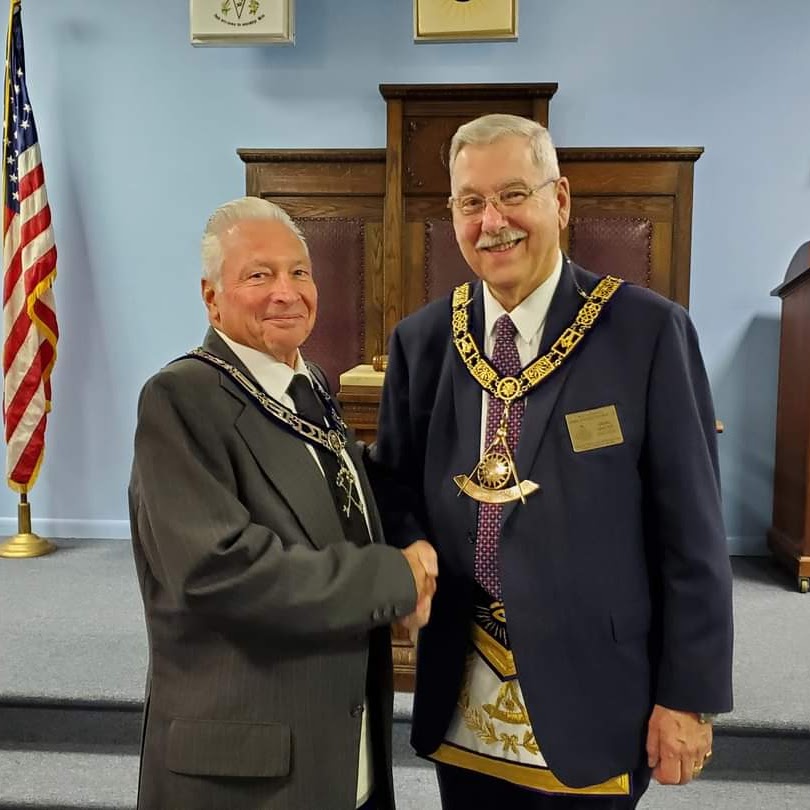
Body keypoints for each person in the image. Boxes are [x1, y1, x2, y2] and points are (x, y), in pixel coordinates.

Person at [370, 114, 733, 808]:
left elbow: (694, 531)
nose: (492, 221)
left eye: (513, 195)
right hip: (463, 685)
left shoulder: (646, 332)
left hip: (596, 686)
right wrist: (410, 541)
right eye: (471, 202)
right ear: (451, 214)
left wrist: (688, 697)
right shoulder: (423, 342)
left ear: (559, 200)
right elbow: (393, 484)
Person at [128, 196, 437, 810]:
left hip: (334, 739)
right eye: (258, 275)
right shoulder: (180, 398)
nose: (287, 291)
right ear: (211, 295)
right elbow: (220, 571)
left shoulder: (310, 383)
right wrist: (393, 578)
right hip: (245, 768)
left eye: (299, 271)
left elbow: (341, 507)